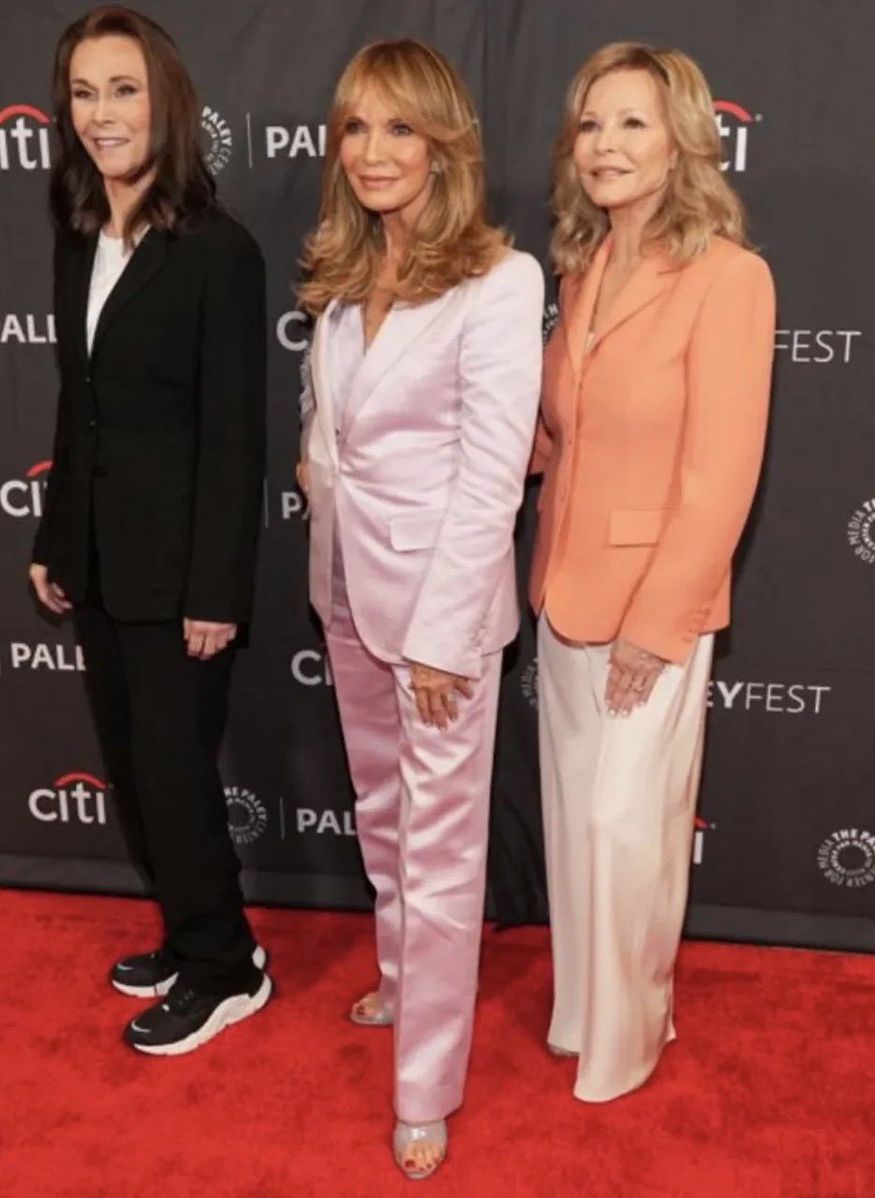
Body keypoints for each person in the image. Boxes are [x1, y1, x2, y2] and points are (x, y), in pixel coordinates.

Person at [295, 38, 542, 1179]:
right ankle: (400, 978)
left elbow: (494, 476)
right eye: (356, 127)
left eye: (400, 128)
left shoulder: (502, 281)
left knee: (441, 854)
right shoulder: (345, 278)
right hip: (346, 585)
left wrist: (444, 637)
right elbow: (330, 437)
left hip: (438, 614)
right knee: (380, 814)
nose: (374, 151)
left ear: (448, 144)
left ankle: (426, 1084)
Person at [530, 41, 775, 1103]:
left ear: (683, 139)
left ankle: (633, 1034)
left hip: (651, 607)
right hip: (560, 587)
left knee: (625, 827)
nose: (606, 145)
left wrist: (657, 623)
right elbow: (557, 436)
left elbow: (722, 477)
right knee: (576, 823)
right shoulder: (580, 271)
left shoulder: (730, 277)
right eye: (591, 124)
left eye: (631, 122)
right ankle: (584, 1009)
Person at [29, 4, 269, 1056]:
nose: (101, 114)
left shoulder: (219, 250)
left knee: (174, 775)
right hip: (98, 559)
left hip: (178, 579)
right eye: (83, 92)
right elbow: (73, 408)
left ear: (166, 101)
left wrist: (216, 590)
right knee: (135, 769)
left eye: (122, 90)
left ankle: (226, 967)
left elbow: (234, 435)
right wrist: (53, 537)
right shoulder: (82, 232)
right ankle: (190, 932)